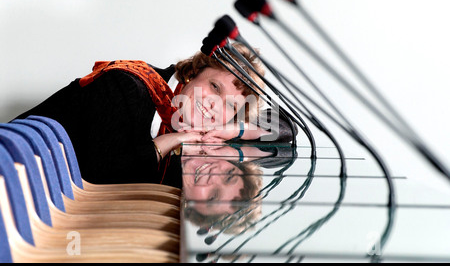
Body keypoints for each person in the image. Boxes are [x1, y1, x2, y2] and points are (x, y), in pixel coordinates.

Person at [14, 43, 296, 186]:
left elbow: (287, 128)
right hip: (17, 193)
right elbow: (102, 175)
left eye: (230, 106)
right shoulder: (127, 86)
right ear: (193, 71)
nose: (214, 106)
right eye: (214, 86)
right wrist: (171, 141)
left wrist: (234, 130)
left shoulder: (196, 122)